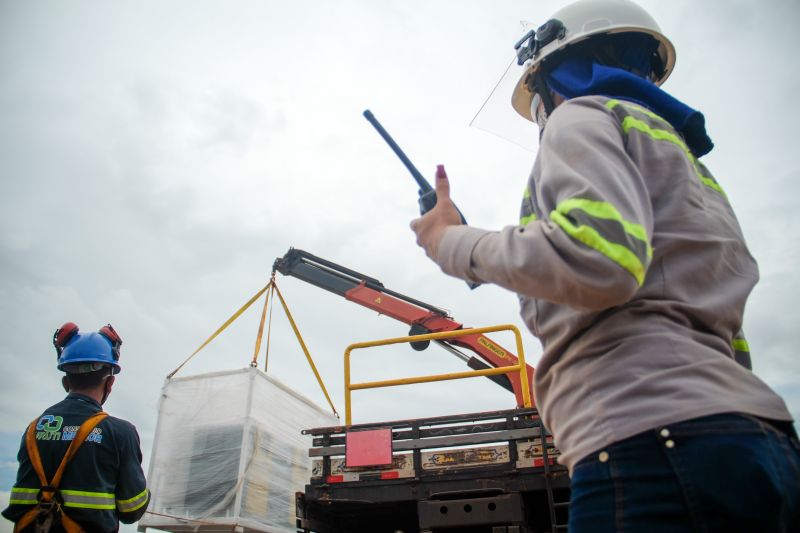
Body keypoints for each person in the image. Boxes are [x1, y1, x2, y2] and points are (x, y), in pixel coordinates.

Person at [410, 0, 799, 531]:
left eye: (539, 104)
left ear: (555, 76)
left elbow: (597, 260)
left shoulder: (582, 116)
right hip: (758, 437)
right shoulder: (686, 166)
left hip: (649, 443)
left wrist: (451, 242)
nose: (542, 119)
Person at [2, 323, 150, 532]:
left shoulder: (33, 430)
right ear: (109, 383)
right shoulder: (119, 433)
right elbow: (131, 510)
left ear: (65, 382)